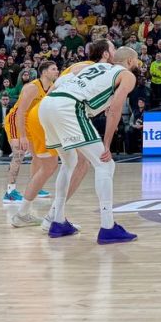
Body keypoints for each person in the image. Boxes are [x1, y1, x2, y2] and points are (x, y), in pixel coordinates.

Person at [38, 47, 140, 244]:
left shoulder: (96, 67)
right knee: (105, 164)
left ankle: (58, 222)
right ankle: (108, 227)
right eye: (136, 62)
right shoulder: (127, 75)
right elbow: (115, 109)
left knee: (69, 162)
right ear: (128, 61)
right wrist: (107, 144)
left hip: (48, 104)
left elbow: (65, 78)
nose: (137, 65)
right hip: (69, 107)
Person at [6, 61, 61, 227]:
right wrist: (22, 136)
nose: (57, 71)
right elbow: (20, 112)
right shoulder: (32, 87)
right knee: (19, 154)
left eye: (57, 68)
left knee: (38, 158)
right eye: (53, 69)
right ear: (44, 72)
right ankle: (10, 191)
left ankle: (33, 187)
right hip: (17, 121)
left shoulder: (53, 86)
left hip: (33, 123)